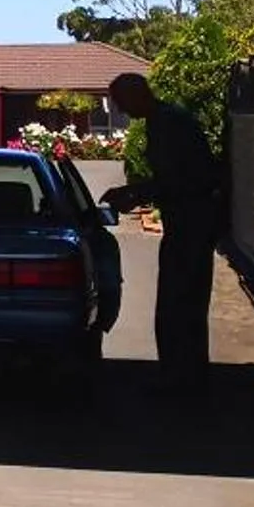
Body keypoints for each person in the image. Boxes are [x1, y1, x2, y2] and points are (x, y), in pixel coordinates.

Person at [104, 71, 218, 388]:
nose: (123, 112)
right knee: (183, 303)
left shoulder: (169, 124)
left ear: (137, 95)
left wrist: (135, 193)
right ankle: (185, 375)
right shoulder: (165, 120)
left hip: (191, 223)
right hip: (188, 221)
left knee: (179, 305)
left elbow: (182, 180)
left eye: (123, 103)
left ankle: (183, 378)